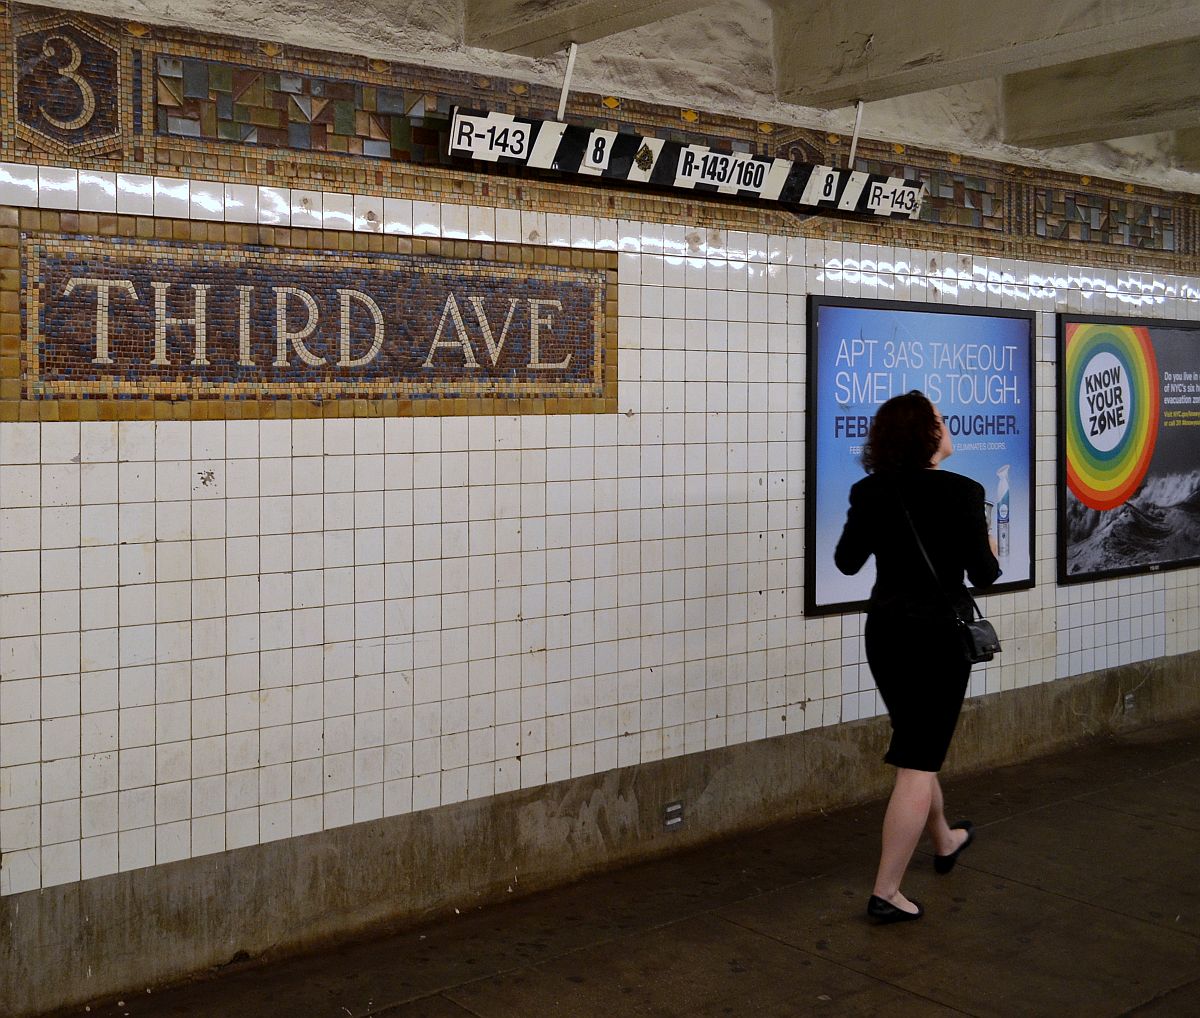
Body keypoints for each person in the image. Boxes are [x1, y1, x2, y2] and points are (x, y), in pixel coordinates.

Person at [834, 390, 1000, 924]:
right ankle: (886, 892)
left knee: (916, 746)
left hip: (886, 634)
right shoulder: (964, 491)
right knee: (918, 760)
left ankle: (945, 838)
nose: (948, 427)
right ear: (927, 434)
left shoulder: (870, 491)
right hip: (938, 640)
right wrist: (989, 540)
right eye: (941, 420)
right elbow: (985, 574)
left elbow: (846, 562)